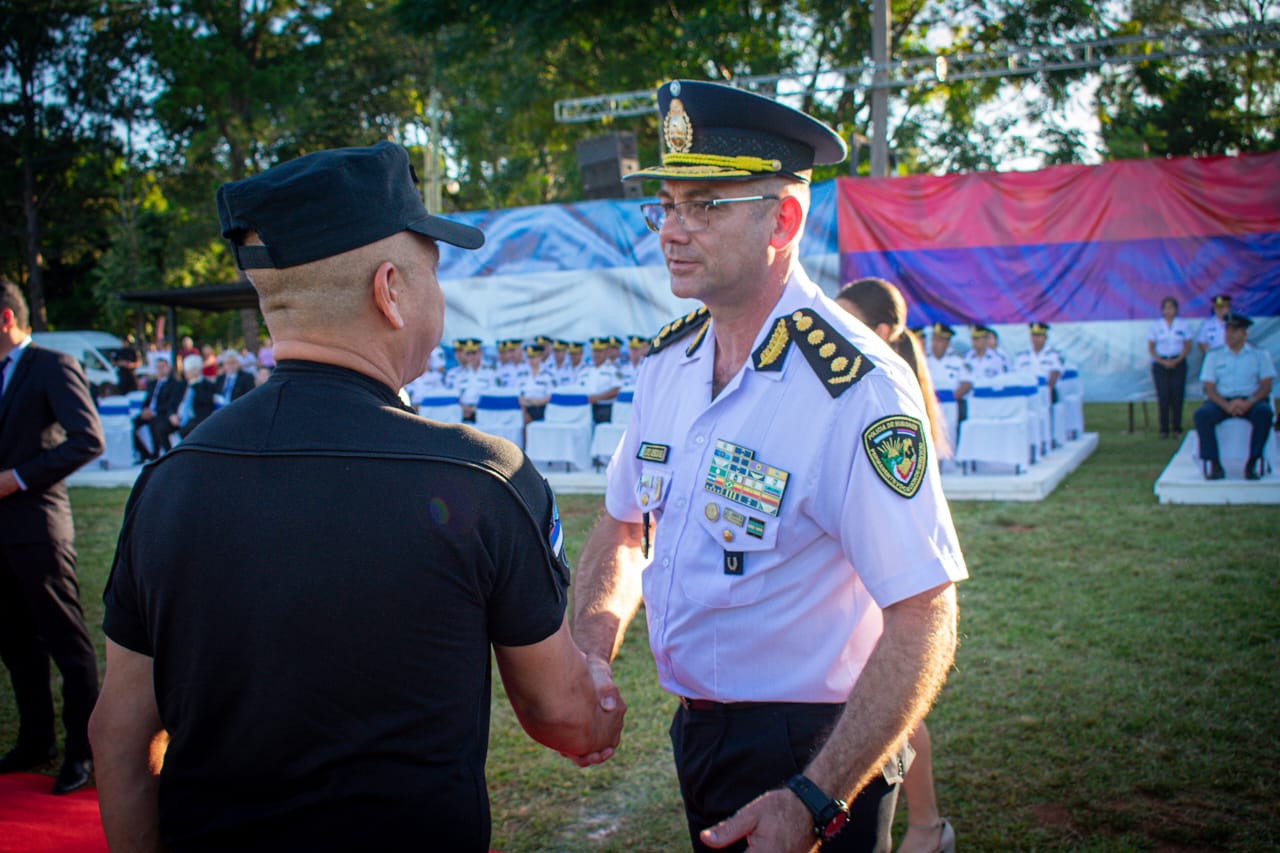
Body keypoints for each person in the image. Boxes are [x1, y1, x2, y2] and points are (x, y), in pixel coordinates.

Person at [89, 141, 624, 851]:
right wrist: (598, 685)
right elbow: (563, 714)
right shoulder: (482, 477)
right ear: (390, 291)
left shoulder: (169, 480)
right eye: (432, 271)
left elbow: (118, 737)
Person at [571, 80, 966, 853]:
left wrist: (815, 796)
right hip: (698, 730)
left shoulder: (855, 388)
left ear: (783, 217)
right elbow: (622, 526)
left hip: (821, 748)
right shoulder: (670, 362)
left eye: (706, 205)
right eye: (668, 205)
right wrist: (590, 652)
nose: (673, 232)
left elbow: (925, 613)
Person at [834, 277, 955, 853]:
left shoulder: (885, 392)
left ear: (881, 332)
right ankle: (923, 823)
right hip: (856, 570)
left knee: (893, 703)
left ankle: (928, 825)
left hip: (884, 574)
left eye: (848, 318)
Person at [0, 276, 105, 795]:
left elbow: (89, 439)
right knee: (15, 643)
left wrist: (15, 479)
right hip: (1, 534)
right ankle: (35, 741)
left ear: (5, 318)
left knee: (66, 642)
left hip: (38, 525)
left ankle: (82, 753)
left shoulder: (51, 365)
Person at [1192, 313, 1275, 481]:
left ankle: (1253, 461)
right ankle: (1213, 463)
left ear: (1245, 334)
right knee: (1202, 415)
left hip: (1250, 400)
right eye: (1227, 330)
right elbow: (1209, 388)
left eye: (1234, 331)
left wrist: (1248, 402)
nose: (1228, 335)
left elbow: (1266, 385)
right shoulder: (1214, 356)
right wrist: (1227, 406)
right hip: (1223, 401)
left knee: (1264, 413)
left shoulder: (1259, 355)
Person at [1147, 297, 1194, 439]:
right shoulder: (1156, 326)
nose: (1168, 311)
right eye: (1166, 308)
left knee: (1177, 396)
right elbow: (1151, 347)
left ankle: (1177, 428)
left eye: (1171, 307)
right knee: (1163, 396)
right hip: (1160, 364)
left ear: (1176, 309)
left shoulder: (1182, 325)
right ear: (1162, 310)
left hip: (1178, 362)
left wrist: (1177, 360)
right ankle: (1164, 429)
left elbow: (1187, 345)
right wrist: (1162, 361)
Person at [132, 356, 185, 461]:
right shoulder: (153, 384)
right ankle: (145, 454)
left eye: (162, 367)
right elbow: (147, 400)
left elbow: (172, 403)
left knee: (157, 425)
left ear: (168, 367)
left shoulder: (175, 384)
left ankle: (162, 455)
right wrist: (145, 410)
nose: (160, 370)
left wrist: (154, 412)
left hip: (163, 414)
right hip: (150, 413)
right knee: (131, 425)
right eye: (158, 367)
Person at [1013, 322, 1065, 402]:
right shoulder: (1022, 356)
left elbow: (1055, 372)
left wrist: (1048, 389)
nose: (1036, 339)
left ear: (1045, 337)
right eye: (1033, 335)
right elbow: (1015, 374)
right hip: (1026, 393)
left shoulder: (1053, 355)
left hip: (1047, 391)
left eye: (1039, 336)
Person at [173, 353, 217, 438]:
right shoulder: (182, 385)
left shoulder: (207, 385)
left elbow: (206, 402)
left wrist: (195, 384)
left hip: (198, 418)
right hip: (179, 417)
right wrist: (171, 415)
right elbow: (173, 401)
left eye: (188, 370)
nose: (186, 373)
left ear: (196, 370)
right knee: (159, 426)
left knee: (185, 431)